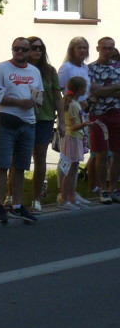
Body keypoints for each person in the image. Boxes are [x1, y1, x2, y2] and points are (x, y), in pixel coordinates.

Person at [0, 38, 41, 224]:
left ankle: (17, 206)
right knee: (2, 165)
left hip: (29, 123)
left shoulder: (34, 71)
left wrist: (35, 101)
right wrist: (18, 102)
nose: (19, 52)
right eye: (16, 48)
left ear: (29, 52)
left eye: (24, 49)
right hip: (7, 122)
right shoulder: (1, 68)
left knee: (20, 166)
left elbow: (39, 95)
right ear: (12, 50)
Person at [26, 36, 64, 211]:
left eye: (41, 48)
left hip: (45, 118)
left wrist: (62, 121)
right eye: (34, 47)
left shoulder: (50, 70)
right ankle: (11, 196)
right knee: (18, 156)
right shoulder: (20, 69)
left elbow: (57, 96)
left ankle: (36, 199)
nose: (38, 51)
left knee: (40, 156)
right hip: (24, 117)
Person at [57, 37, 92, 205]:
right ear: (72, 50)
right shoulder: (66, 68)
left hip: (82, 110)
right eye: (79, 47)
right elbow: (60, 91)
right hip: (70, 112)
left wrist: (84, 104)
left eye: (85, 47)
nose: (83, 51)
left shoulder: (85, 67)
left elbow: (87, 90)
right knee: (67, 157)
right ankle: (62, 192)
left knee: (77, 158)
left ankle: (73, 192)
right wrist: (72, 105)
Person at [87, 37, 120, 204]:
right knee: (100, 153)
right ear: (98, 48)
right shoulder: (90, 69)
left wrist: (103, 90)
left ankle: (113, 187)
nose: (108, 51)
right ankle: (103, 189)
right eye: (105, 48)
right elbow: (95, 93)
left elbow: (101, 91)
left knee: (117, 153)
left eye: (111, 48)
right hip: (98, 114)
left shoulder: (118, 67)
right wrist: (115, 87)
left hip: (117, 113)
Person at [59, 76, 91, 210]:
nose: (86, 89)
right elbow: (72, 126)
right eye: (84, 87)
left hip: (76, 138)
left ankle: (72, 196)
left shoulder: (75, 103)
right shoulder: (72, 105)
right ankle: (64, 199)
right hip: (72, 138)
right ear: (80, 89)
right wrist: (86, 124)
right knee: (70, 171)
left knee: (74, 169)